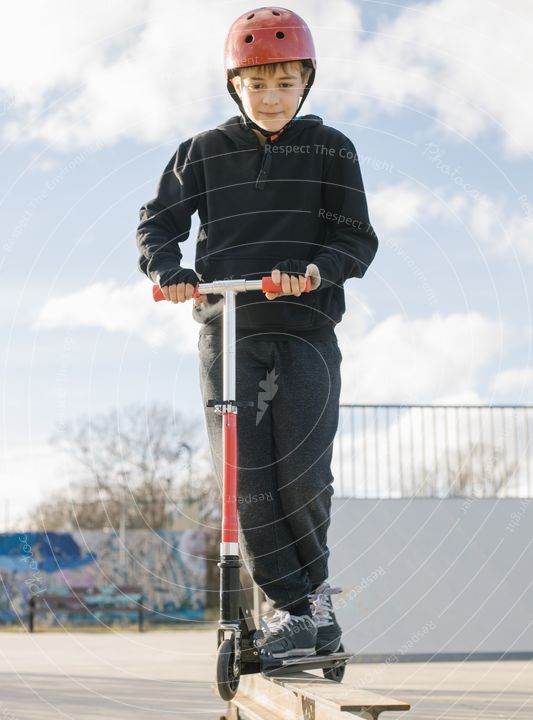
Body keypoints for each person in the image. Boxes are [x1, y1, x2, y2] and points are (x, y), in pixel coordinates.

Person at [136, 7, 379, 659]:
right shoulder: (203, 153)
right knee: (246, 478)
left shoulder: (330, 149)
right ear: (233, 84)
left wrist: (316, 270)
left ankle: (313, 607)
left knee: (301, 471)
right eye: (257, 83)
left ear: (305, 82)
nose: (271, 98)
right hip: (230, 327)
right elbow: (158, 224)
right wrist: (170, 270)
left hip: (305, 328)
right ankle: (294, 612)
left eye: (284, 83)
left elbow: (355, 237)